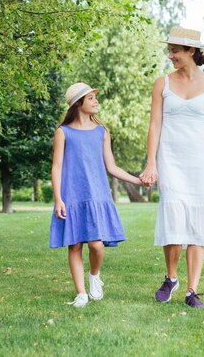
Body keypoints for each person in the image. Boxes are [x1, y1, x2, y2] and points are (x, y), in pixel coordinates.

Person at [139, 26, 204, 308]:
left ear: (191, 51)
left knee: (198, 224)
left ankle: (192, 291)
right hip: (171, 160)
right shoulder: (162, 83)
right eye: (169, 50)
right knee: (174, 219)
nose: (170, 56)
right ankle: (171, 277)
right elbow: (154, 124)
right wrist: (150, 161)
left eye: (175, 51)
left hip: (200, 163)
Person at [50, 82, 141, 308]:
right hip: (71, 196)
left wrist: (137, 180)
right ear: (78, 104)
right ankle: (81, 293)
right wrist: (58, 199)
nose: (95, 101)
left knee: (96, 245)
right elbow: (57, 167)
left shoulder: (102, 131)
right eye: (91, 98)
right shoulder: (63, 132)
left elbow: (111, 167)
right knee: (74, 245)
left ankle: (94, 275)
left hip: (97, 195)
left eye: (94, 97)